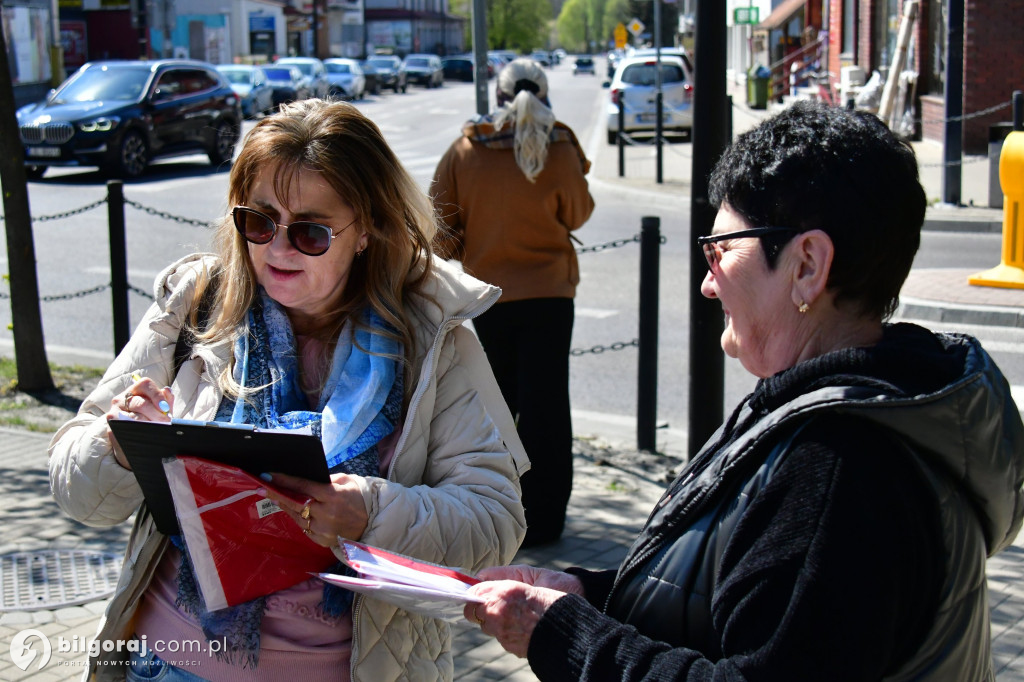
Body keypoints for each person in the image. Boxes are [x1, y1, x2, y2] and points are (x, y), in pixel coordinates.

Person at [460, 100, 1024, 680]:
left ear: (807, 263)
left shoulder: (837, 466)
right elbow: (736, 608)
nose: (708, 283)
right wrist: (583, 592)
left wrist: (558, 632)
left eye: (722, 249)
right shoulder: (865, 411)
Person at [48, 99, 529, 681]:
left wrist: (369, 512)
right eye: (259, 221)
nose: (277, 249)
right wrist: (118, 444)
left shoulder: (430, 339)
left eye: (309, 231)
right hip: (166, 661)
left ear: (366, 229)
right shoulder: (196, 304)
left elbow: (494, 524)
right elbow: (75, 487)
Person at [430, 57, 594, 547]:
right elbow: (579, 213)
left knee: (497, 405)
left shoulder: (466, 148)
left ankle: (501, 512)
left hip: (491, 296)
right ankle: (547, 519)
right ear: (544, 97)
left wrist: (472, 247)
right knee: (548, 405)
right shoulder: (560, 145)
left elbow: (439, 224)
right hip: (551, 293)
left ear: (498, 96)